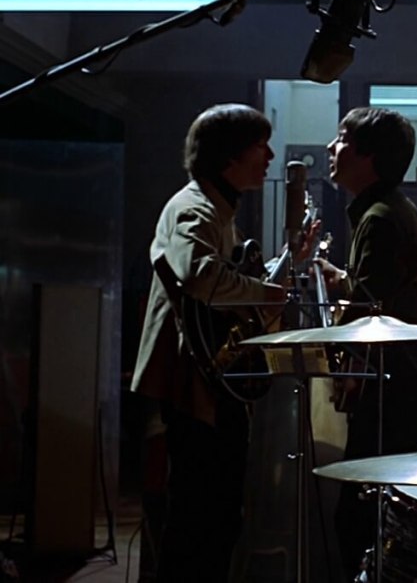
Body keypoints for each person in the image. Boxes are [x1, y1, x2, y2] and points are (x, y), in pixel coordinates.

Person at [132, 103, 317, 582]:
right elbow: (201, 276)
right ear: (229, 155)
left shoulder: (217, 208)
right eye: (260, 146)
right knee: (200, 519)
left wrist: (287, 262)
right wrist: (267, 292)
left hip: (210, 382)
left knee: (218, 516)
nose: (270, 156)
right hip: (194, 385)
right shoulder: (193, 208)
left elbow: (237, 288)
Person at [315, 107, 417, 580]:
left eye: (341, 139)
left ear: (368, 156)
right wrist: (343, 281)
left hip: (389, 392)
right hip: (404, 388)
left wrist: (345, 368)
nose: (331, 148)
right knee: (376, 512)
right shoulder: (392, 208)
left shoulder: (378, 217)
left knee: (360, 517)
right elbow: (381, 293)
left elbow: (368, 315)